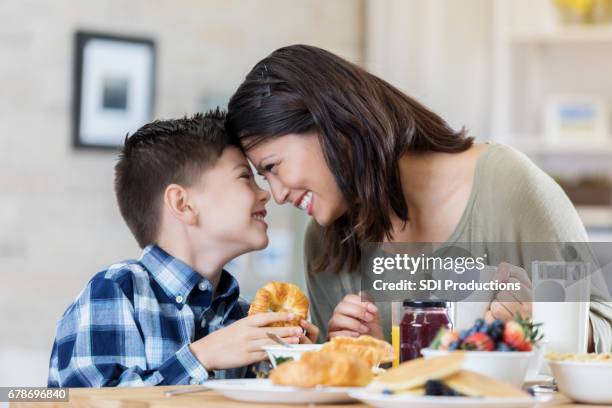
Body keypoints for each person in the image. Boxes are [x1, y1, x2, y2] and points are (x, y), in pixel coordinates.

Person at [226, 44, 612, 352]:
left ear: (333, 127)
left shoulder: (507, 186)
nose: (275, 195)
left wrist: (540, 320)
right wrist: (367, 353)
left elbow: (605, 325)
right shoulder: (326, 243)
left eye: (273, 166)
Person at [48, 110, 318, 387]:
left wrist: (300, 365)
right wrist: (201, 357)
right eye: (244, 177)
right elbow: (87, 403)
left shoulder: (241, 317)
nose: (266, 193)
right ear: (183, 204)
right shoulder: (117, 291)